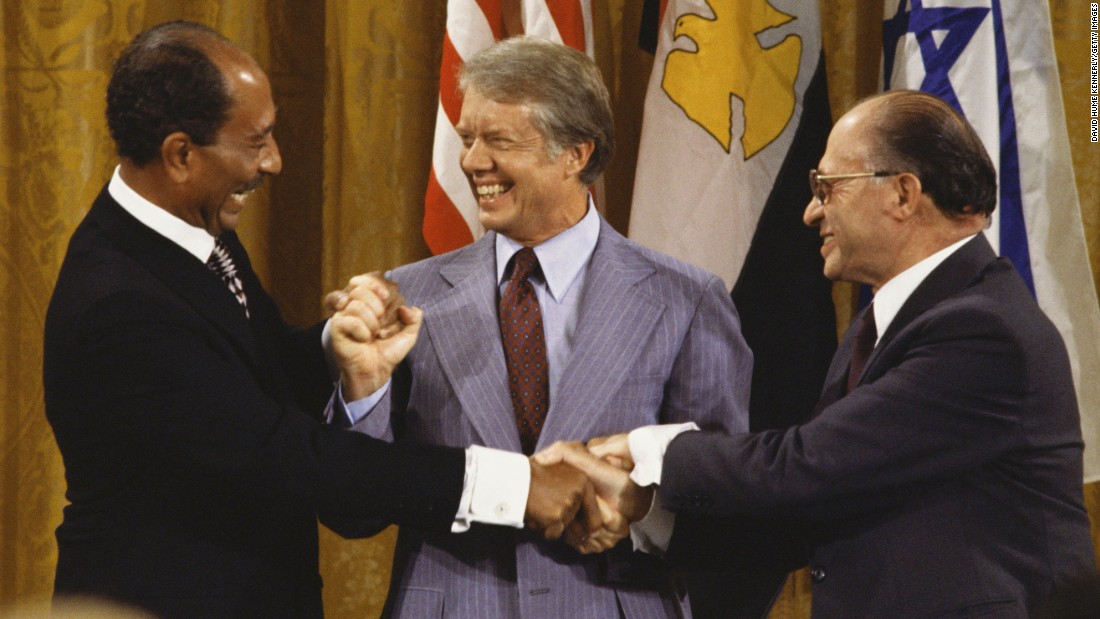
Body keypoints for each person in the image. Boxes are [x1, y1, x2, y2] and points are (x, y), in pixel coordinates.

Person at [42, 21, 598, 619]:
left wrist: (340, 346)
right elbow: (288, 456)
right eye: (256, 142)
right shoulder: (120, 306)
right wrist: (517, 487)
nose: (275, 162)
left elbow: (257, 373)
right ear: (181, 154)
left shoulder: (193, 232)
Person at [541, 90, 1097, 617]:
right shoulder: (884, 325)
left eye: (828, 186)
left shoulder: (980, 330)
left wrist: (645, 447)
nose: (810, 211)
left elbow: (806, 464)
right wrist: (646, 511)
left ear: (903, 194)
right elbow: (814, 506)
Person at [330, 36, 752, 618]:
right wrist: (362, 389)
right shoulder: (408, 299)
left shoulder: (685, 299)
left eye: (499, 141)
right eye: (468, 138)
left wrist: (632, 512)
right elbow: (355, 507)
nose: (474, 161)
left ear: (576, 154)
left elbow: (723, 506)